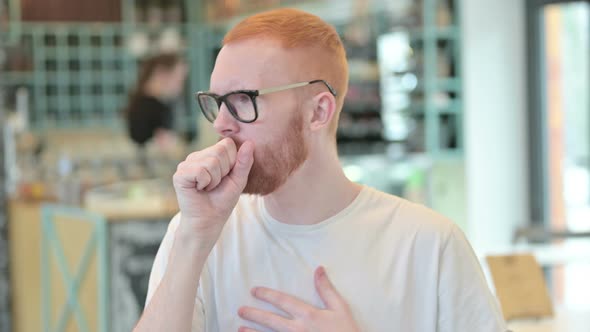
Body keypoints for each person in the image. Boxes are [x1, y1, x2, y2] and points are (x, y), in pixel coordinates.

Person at [135, 8, 507, 332]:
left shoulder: (428, 245)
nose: (221, 124)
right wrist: (194, 238)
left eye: (242, 101)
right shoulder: (197, 235)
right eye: (216, 102)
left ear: (318, 112)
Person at [124, 52, 187, 151]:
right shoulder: (147, 107)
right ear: (161, 73)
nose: (180, 85)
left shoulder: (159, 104)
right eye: (178, 78)